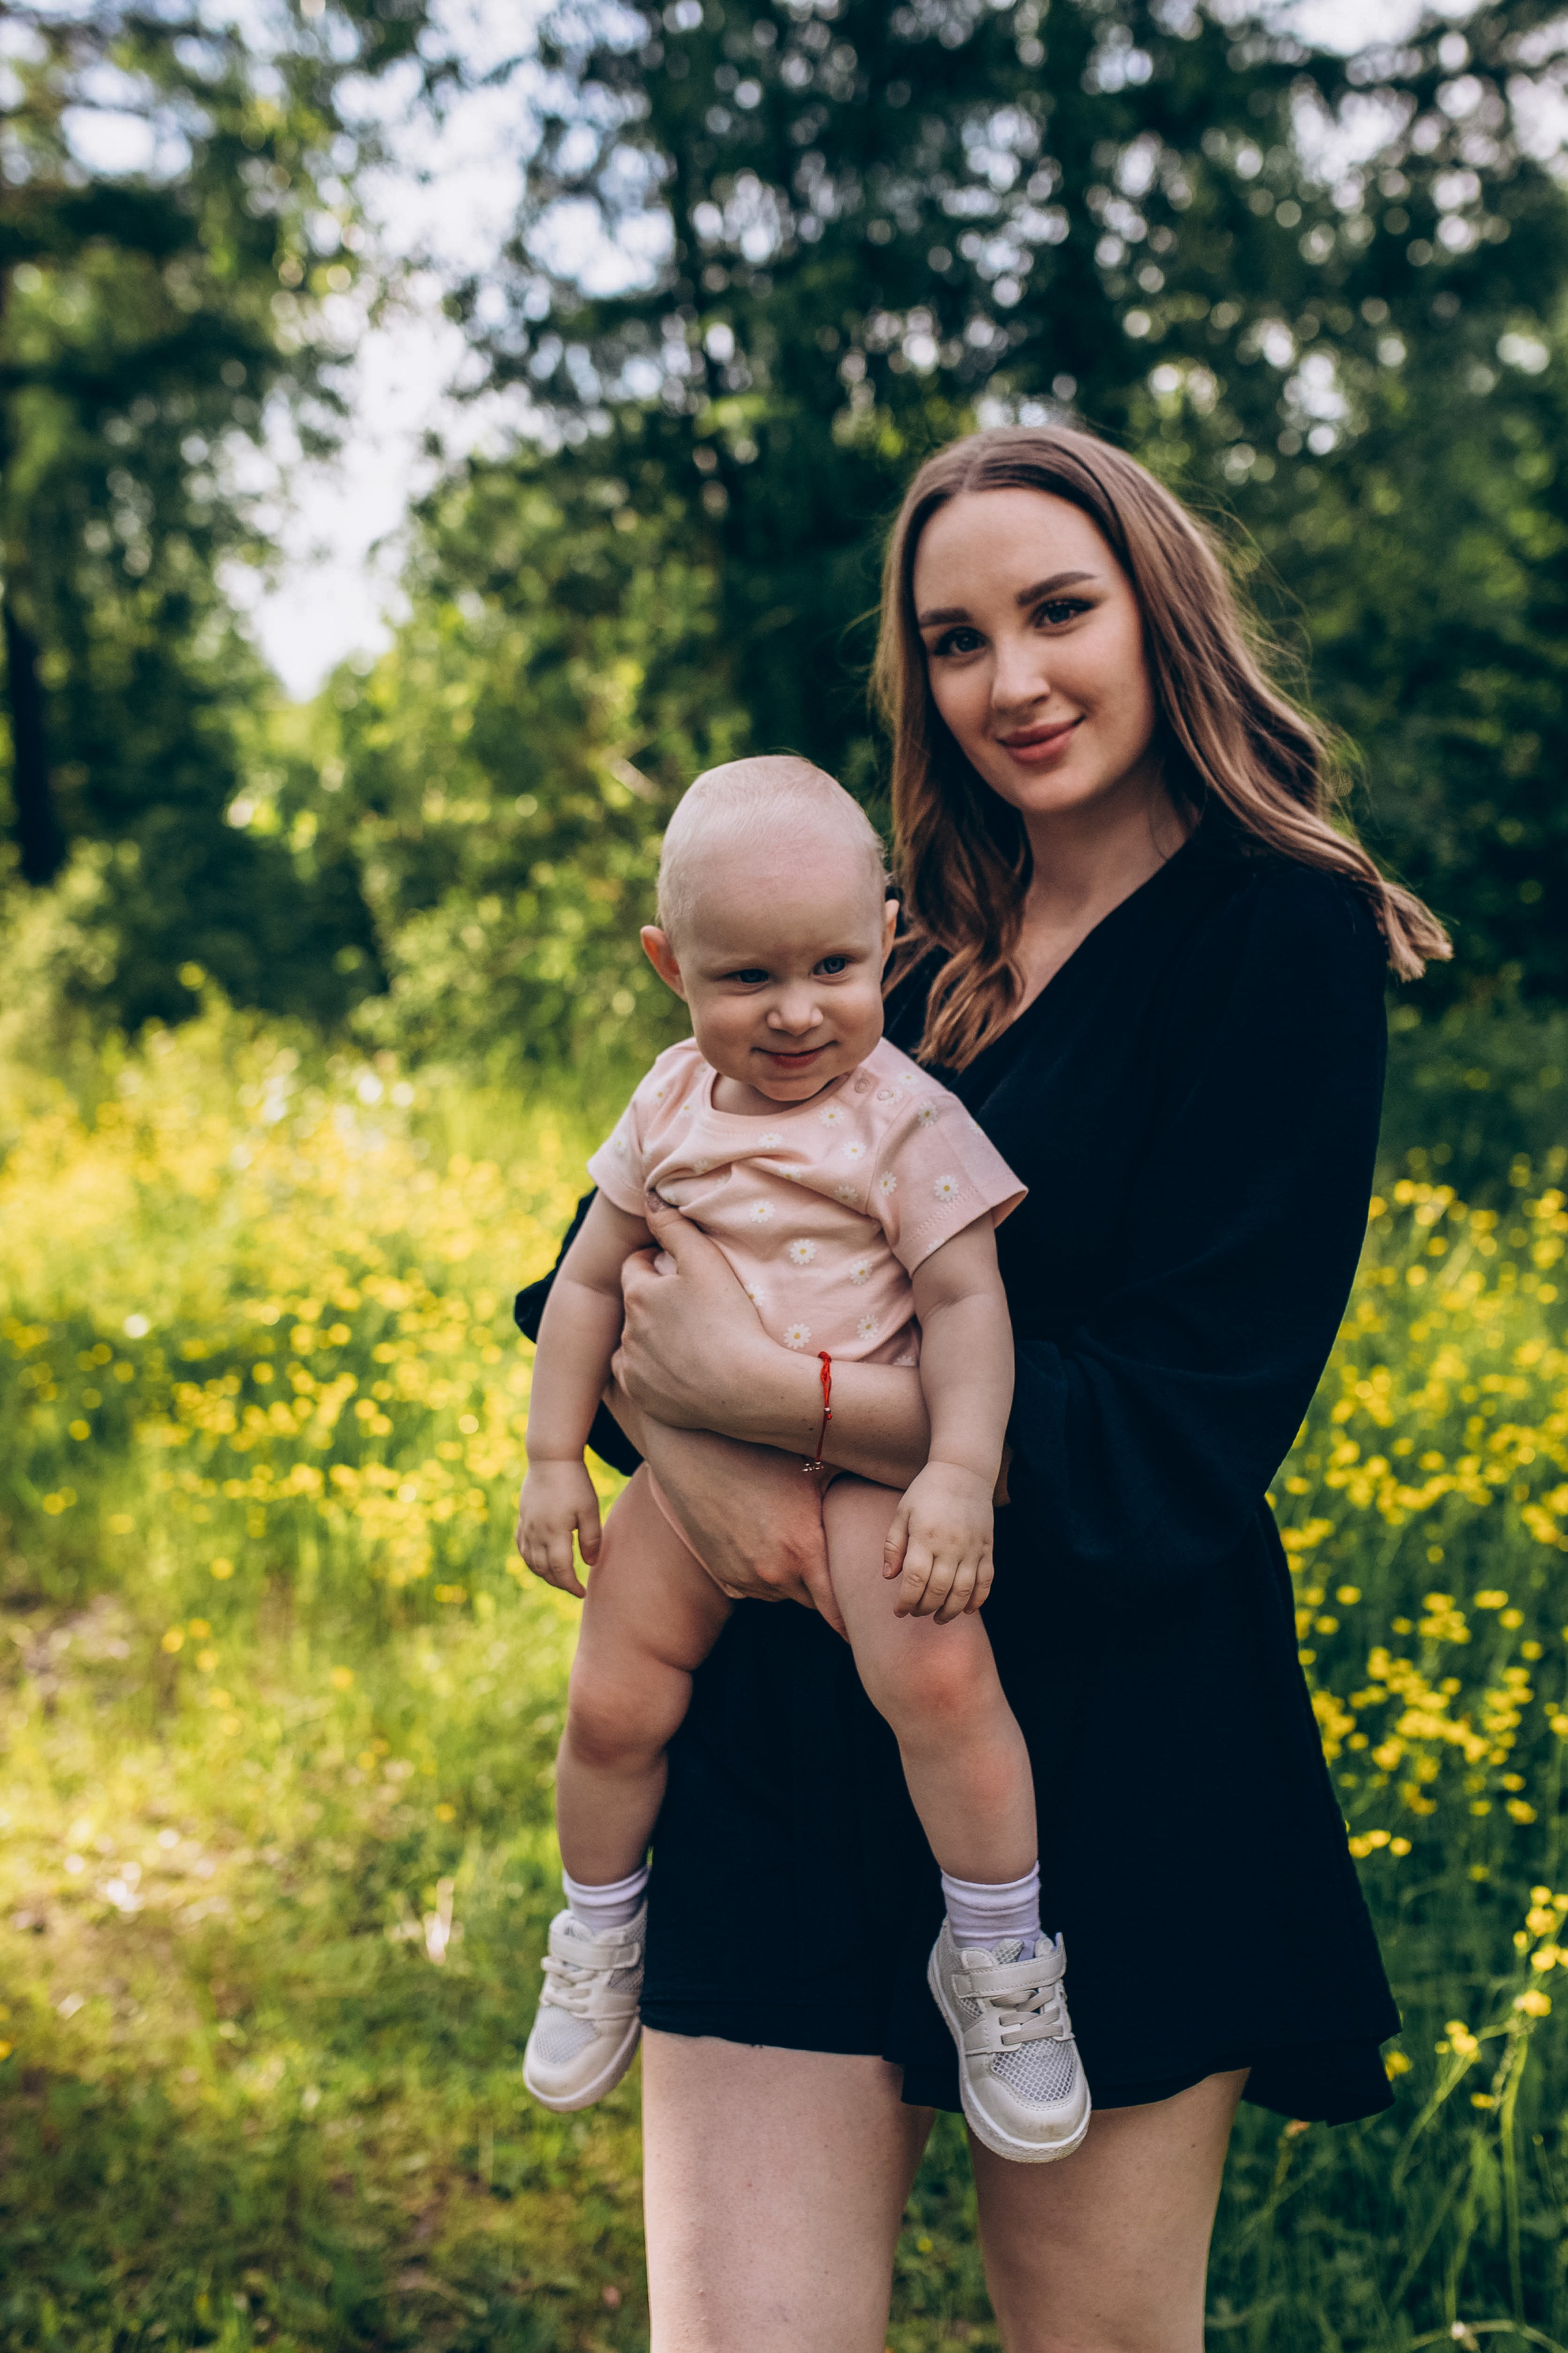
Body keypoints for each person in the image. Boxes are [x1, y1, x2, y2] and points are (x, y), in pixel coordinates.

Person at [513, 423, 1450, 2350]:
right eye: (955, 640)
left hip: (1108, 1747)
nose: (1011, 680)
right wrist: (698, 1422)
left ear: (1156, 612)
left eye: (1056, 611)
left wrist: (779, 1387)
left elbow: (1178, 1424)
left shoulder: (1278, 940)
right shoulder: (884, 951)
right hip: (780, 1727)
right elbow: (602, 1287)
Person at [516, 756, 1091, 2164]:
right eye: (743, 977)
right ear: (669, 967)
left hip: (872, 1471)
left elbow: (968, 1305)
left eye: (833, 964)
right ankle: (595, 1928)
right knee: (610, 1699)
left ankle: (1001, 1959)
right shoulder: (666, 1107)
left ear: (886, 938)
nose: (792, 1012)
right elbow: (585, 1286)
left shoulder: (902, 1117)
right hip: (692, 1468)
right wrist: (552, 1461)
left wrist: (956, 1473)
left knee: (942, 1683)